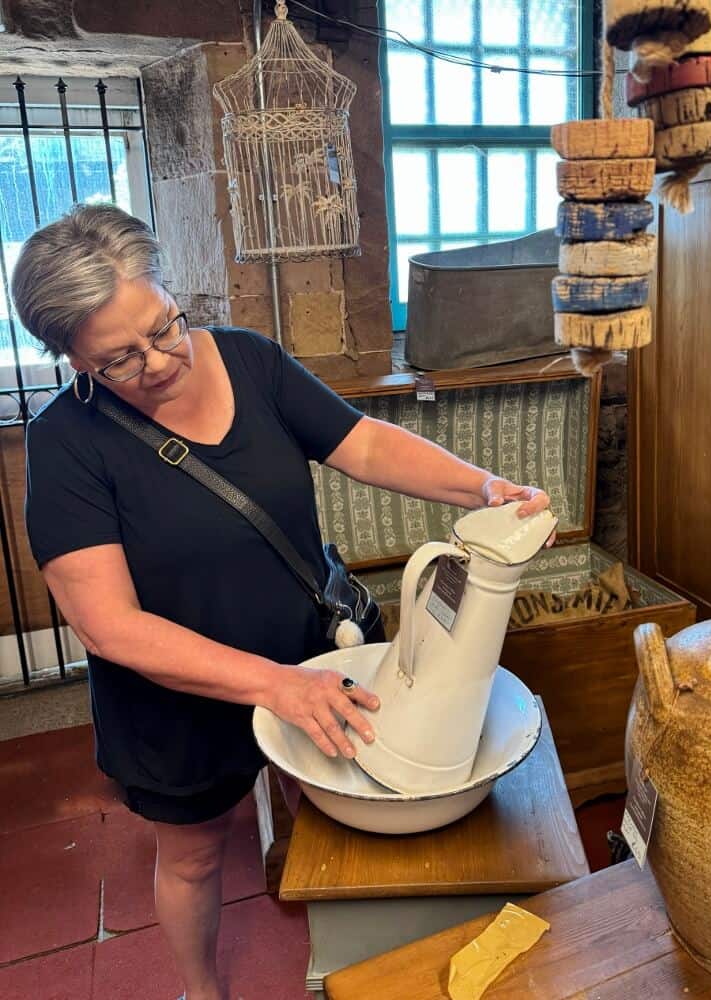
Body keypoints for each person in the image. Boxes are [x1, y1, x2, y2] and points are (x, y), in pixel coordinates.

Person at [14, 203, 553, 1000]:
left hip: (311, 650)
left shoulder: (248, 361)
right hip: (178, 696)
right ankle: (204, 990)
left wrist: (482, 486)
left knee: (337, 812)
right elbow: (109, 625)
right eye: (120, 360)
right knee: (193, 854)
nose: (159, 362)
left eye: (165, 327)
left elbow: (362, 442)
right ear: (71, 359)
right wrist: (273, 685)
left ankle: (350, 948)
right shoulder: (65, 442)